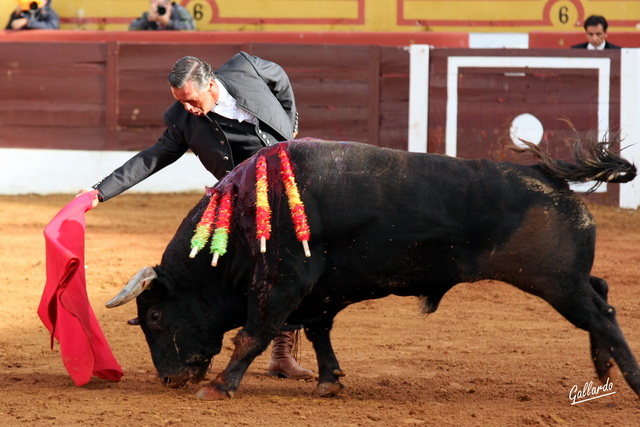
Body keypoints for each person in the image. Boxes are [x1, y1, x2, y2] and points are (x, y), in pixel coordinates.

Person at [81, 52, 312, 380]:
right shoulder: (181, 119)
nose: (187, 108)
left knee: (296, 263)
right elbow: (152, 158)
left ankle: (280, 353)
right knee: (241, 267)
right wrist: (99, 192)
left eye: (190, 100)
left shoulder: (246, 66)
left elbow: (280, 79)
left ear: (211, 85)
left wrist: (290, 122)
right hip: (243, 198)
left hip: (289, 184)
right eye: (180, 101)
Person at [129, 0, 195, 31]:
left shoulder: (179, 11)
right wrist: (147, 20)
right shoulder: (149, 16)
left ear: (169, 4)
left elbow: (190, 28)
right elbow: (132, 28)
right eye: (156, 6)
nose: (159, 9)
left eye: (161, 5)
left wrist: (168, 22)